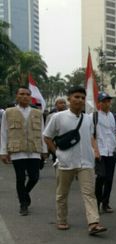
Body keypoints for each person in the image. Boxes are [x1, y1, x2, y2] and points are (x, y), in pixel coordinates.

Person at [43, 86, 107, 235]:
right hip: (65, 162)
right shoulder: (58, 117)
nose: (80, 100)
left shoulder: (88, 118)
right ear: (69, 99)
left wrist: (95, 151)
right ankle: (62, 219)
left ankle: (93, 223)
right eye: (76, 97)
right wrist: (57, 153)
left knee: (89, 193)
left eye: (83, 98)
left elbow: (91, 137)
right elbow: (47, 137)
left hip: (86, 162)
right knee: (62, 194)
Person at [0, 87, 48, 215]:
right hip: (17, 151)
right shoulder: (8, 112)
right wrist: (3, 152)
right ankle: (23, 204)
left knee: (34, 177)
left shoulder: (37, 112)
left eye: (27, 94)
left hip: (34, 150)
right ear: (17, 96)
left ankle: (24, 194)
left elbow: (42, 132)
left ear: (30, 97)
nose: (25, 96)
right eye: (22, 94)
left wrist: (44, 150)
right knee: (20, 178)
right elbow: (4, 132)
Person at [91, 92, 116, 213]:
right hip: (99, 152)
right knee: (101, 177)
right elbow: (90, 134)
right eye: (104, 101)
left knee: (109, 179)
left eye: (108, 101)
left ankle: (106, 203)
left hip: (112, 151)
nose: (106, 103)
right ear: (99, 103)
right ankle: (97, 202)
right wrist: (95, 150)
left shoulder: (115, 117)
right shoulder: (93, 116)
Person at [46, 97, 67, 163]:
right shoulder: (51, 116)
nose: (63, 104)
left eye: (64, 103)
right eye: (60, 103)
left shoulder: (70, 115)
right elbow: (47, 131)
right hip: (55, 142)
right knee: (57, 161)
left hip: (67, 141)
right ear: (56, 105)